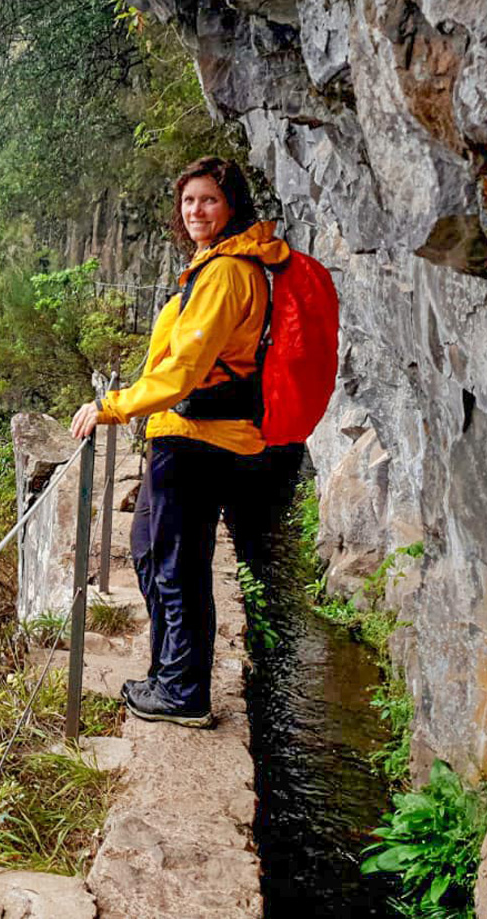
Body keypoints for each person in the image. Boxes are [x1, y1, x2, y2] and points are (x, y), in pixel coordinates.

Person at [69, 156, 303, 728]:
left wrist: (111, 406)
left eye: (210, 200)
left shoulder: (226, 273)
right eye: (189, 200)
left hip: (202, 439)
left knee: (178, 564)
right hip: (183, 435)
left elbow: (186, 372)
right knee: (151, 552)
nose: (196, 210)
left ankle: (185, 692)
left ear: (232, 207)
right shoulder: (211, 265)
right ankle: (167, 673)